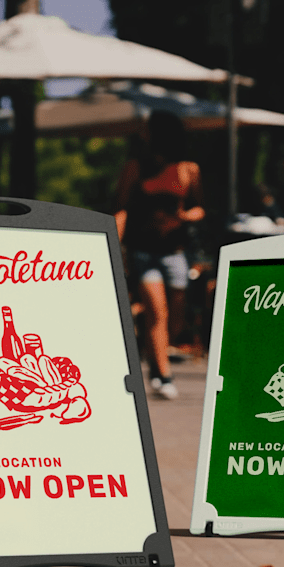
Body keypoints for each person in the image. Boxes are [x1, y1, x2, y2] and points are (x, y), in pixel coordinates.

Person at [114, 111, 205, 399]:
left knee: (175, 314)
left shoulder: (188, 169)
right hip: (143, 250)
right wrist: (113, 242)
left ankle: (156, 355)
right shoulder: (135, 167)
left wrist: (185, 217)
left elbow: (200, 207)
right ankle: (163, 375)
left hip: (175, 252)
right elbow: (122, 207)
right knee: (157, 311)